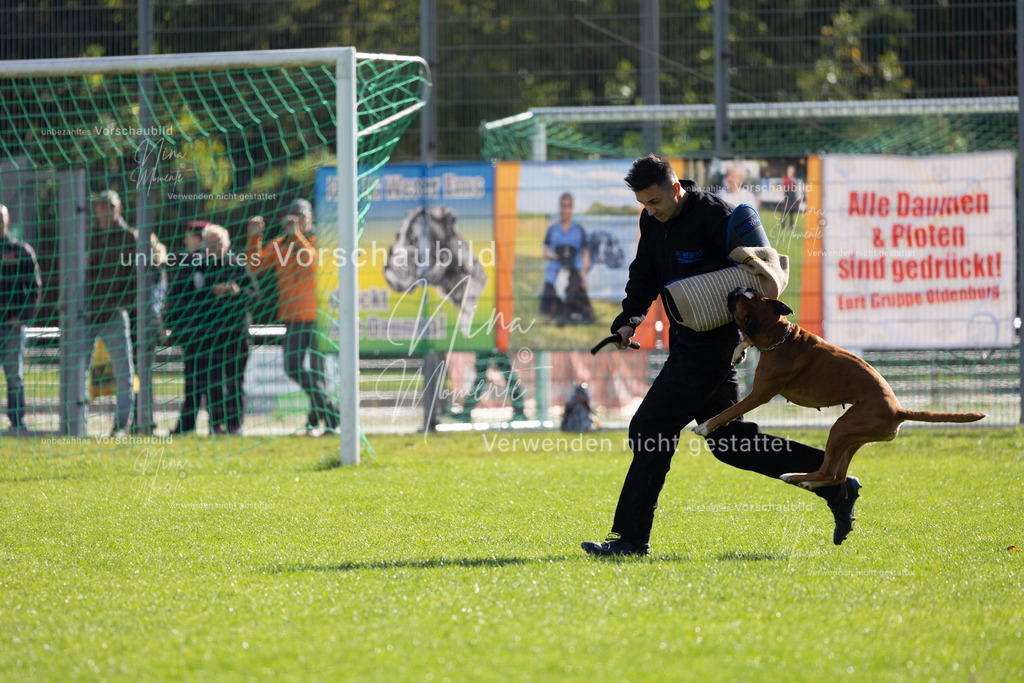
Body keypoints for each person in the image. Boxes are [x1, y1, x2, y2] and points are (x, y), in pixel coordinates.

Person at [581, 155, 861, 557]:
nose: (651, 210)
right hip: (686, 341)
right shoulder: (652, 221)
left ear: (676, 188)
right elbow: (644, 273)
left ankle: (629, 539)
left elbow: (764, 277)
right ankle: (834, 482)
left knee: (650, 427)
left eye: (656, 201)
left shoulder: (716, 216)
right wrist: (630, 320)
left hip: (715, 346)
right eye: (644, 203)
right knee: (730, 442)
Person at [246, 198, 340, 435]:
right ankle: (330, 410)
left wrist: (296, 235)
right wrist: (254, 237)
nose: (296, 222)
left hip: (317, 316)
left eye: (301, 217)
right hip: (292, 317)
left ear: (311, 219)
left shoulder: (320, 241)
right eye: (292, 218)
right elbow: (254, 265)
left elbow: (310, 262)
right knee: (293, 367)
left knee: (319, 372)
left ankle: (320, 421)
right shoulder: (279, 244)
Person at [83, 189, 138, 436]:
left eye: (108, 206)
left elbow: (136, 279)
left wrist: (121, 303)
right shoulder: (86, 234)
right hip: (85, 314)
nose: (103, 211)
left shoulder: (129, 237)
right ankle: (76, 424)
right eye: (99, 206)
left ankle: (122, 425)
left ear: (119, 208)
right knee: (77, 369)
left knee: (123, 372)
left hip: (114, 315)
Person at [194, 224, 257, 435]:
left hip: (236, 334)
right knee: (212, 381)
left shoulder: (237, 265)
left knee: (235, 380)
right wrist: (211, 292)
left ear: (227, 244)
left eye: (218, 243)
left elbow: (255, 295)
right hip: (209, 334)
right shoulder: (199, 267)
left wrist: (237, 292)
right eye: (210, 244)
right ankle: (215, 424)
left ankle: (235, 424)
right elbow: (189, 300)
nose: (214, 248)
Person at [0, 204, 42, 431]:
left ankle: (17, 422)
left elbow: (35, 288)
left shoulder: (21, 251)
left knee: (14, 375)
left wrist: (23, 317)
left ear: (7, 221)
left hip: (12, 327)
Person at [164, 221, 208, 435]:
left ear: (199, 238)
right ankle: (190, 424)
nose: (184, 240)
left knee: (200, 380)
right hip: (191, 332)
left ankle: (208, 424)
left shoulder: (204, 261)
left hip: (202, 332)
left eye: (189, 235)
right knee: (195, 380)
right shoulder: (189, 261)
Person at [539, 192, 594, 324]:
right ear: (559, 208)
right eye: (562, 207)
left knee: (579, 310)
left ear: (572, 208)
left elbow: (586, 253)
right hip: (553, 277)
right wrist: (551, 255)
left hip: (572, 278)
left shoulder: (579, 230)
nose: (565, 210)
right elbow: (545, 249)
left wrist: (583, 276)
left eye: (568, 207)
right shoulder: (552, 229)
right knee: (544, 311)